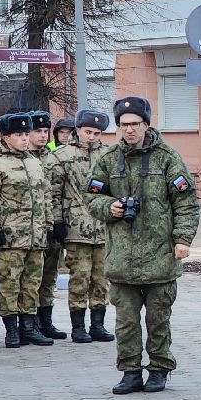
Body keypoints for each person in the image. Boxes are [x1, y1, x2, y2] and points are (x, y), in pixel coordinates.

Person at [85, 97, 200, 395]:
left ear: (146, 125)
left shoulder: (167, 158)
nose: (129, 130)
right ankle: (130, 371)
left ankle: (160, 369)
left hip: (160, 256)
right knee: (125, 322)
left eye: (135, 124)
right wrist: (110, 207)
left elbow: (185, 202)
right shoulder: (109, 159)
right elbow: (92, 197)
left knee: (158, 319)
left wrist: (183, 239)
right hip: (121, 258)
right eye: (123, 125)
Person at [0, 112, 55, 348]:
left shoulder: (35, 163)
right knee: (10, 284)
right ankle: (11, 330)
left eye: (26, 134)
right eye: (18, 135)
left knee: (32, 284)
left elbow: (46, 198)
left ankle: (28, 327)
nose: (25, 139)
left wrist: (49, 226)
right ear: (5, 138)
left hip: (36, 237)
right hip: (11, 237)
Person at [56, 110, 116, 344]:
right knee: (79, 277)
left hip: (103, 228)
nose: (91, 137)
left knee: (102, 279)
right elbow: (53, 192)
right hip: (75, 228)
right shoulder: (62, 156)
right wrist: (57, 222)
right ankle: (78, 326)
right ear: (78, 130)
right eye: (87, 132)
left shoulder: (109, 155)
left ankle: (97, 324)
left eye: (97, 133)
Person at [26, 110, 69, 342]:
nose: (42, 136)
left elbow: (57, 194)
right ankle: (29, 323)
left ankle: (45, 321)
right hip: (27, 230)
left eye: (45, 131)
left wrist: (58, 222)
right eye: (37, 131)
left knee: (49, 275)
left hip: (50, 226)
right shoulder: (21, 157)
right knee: (31, 278)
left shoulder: (53, 157)